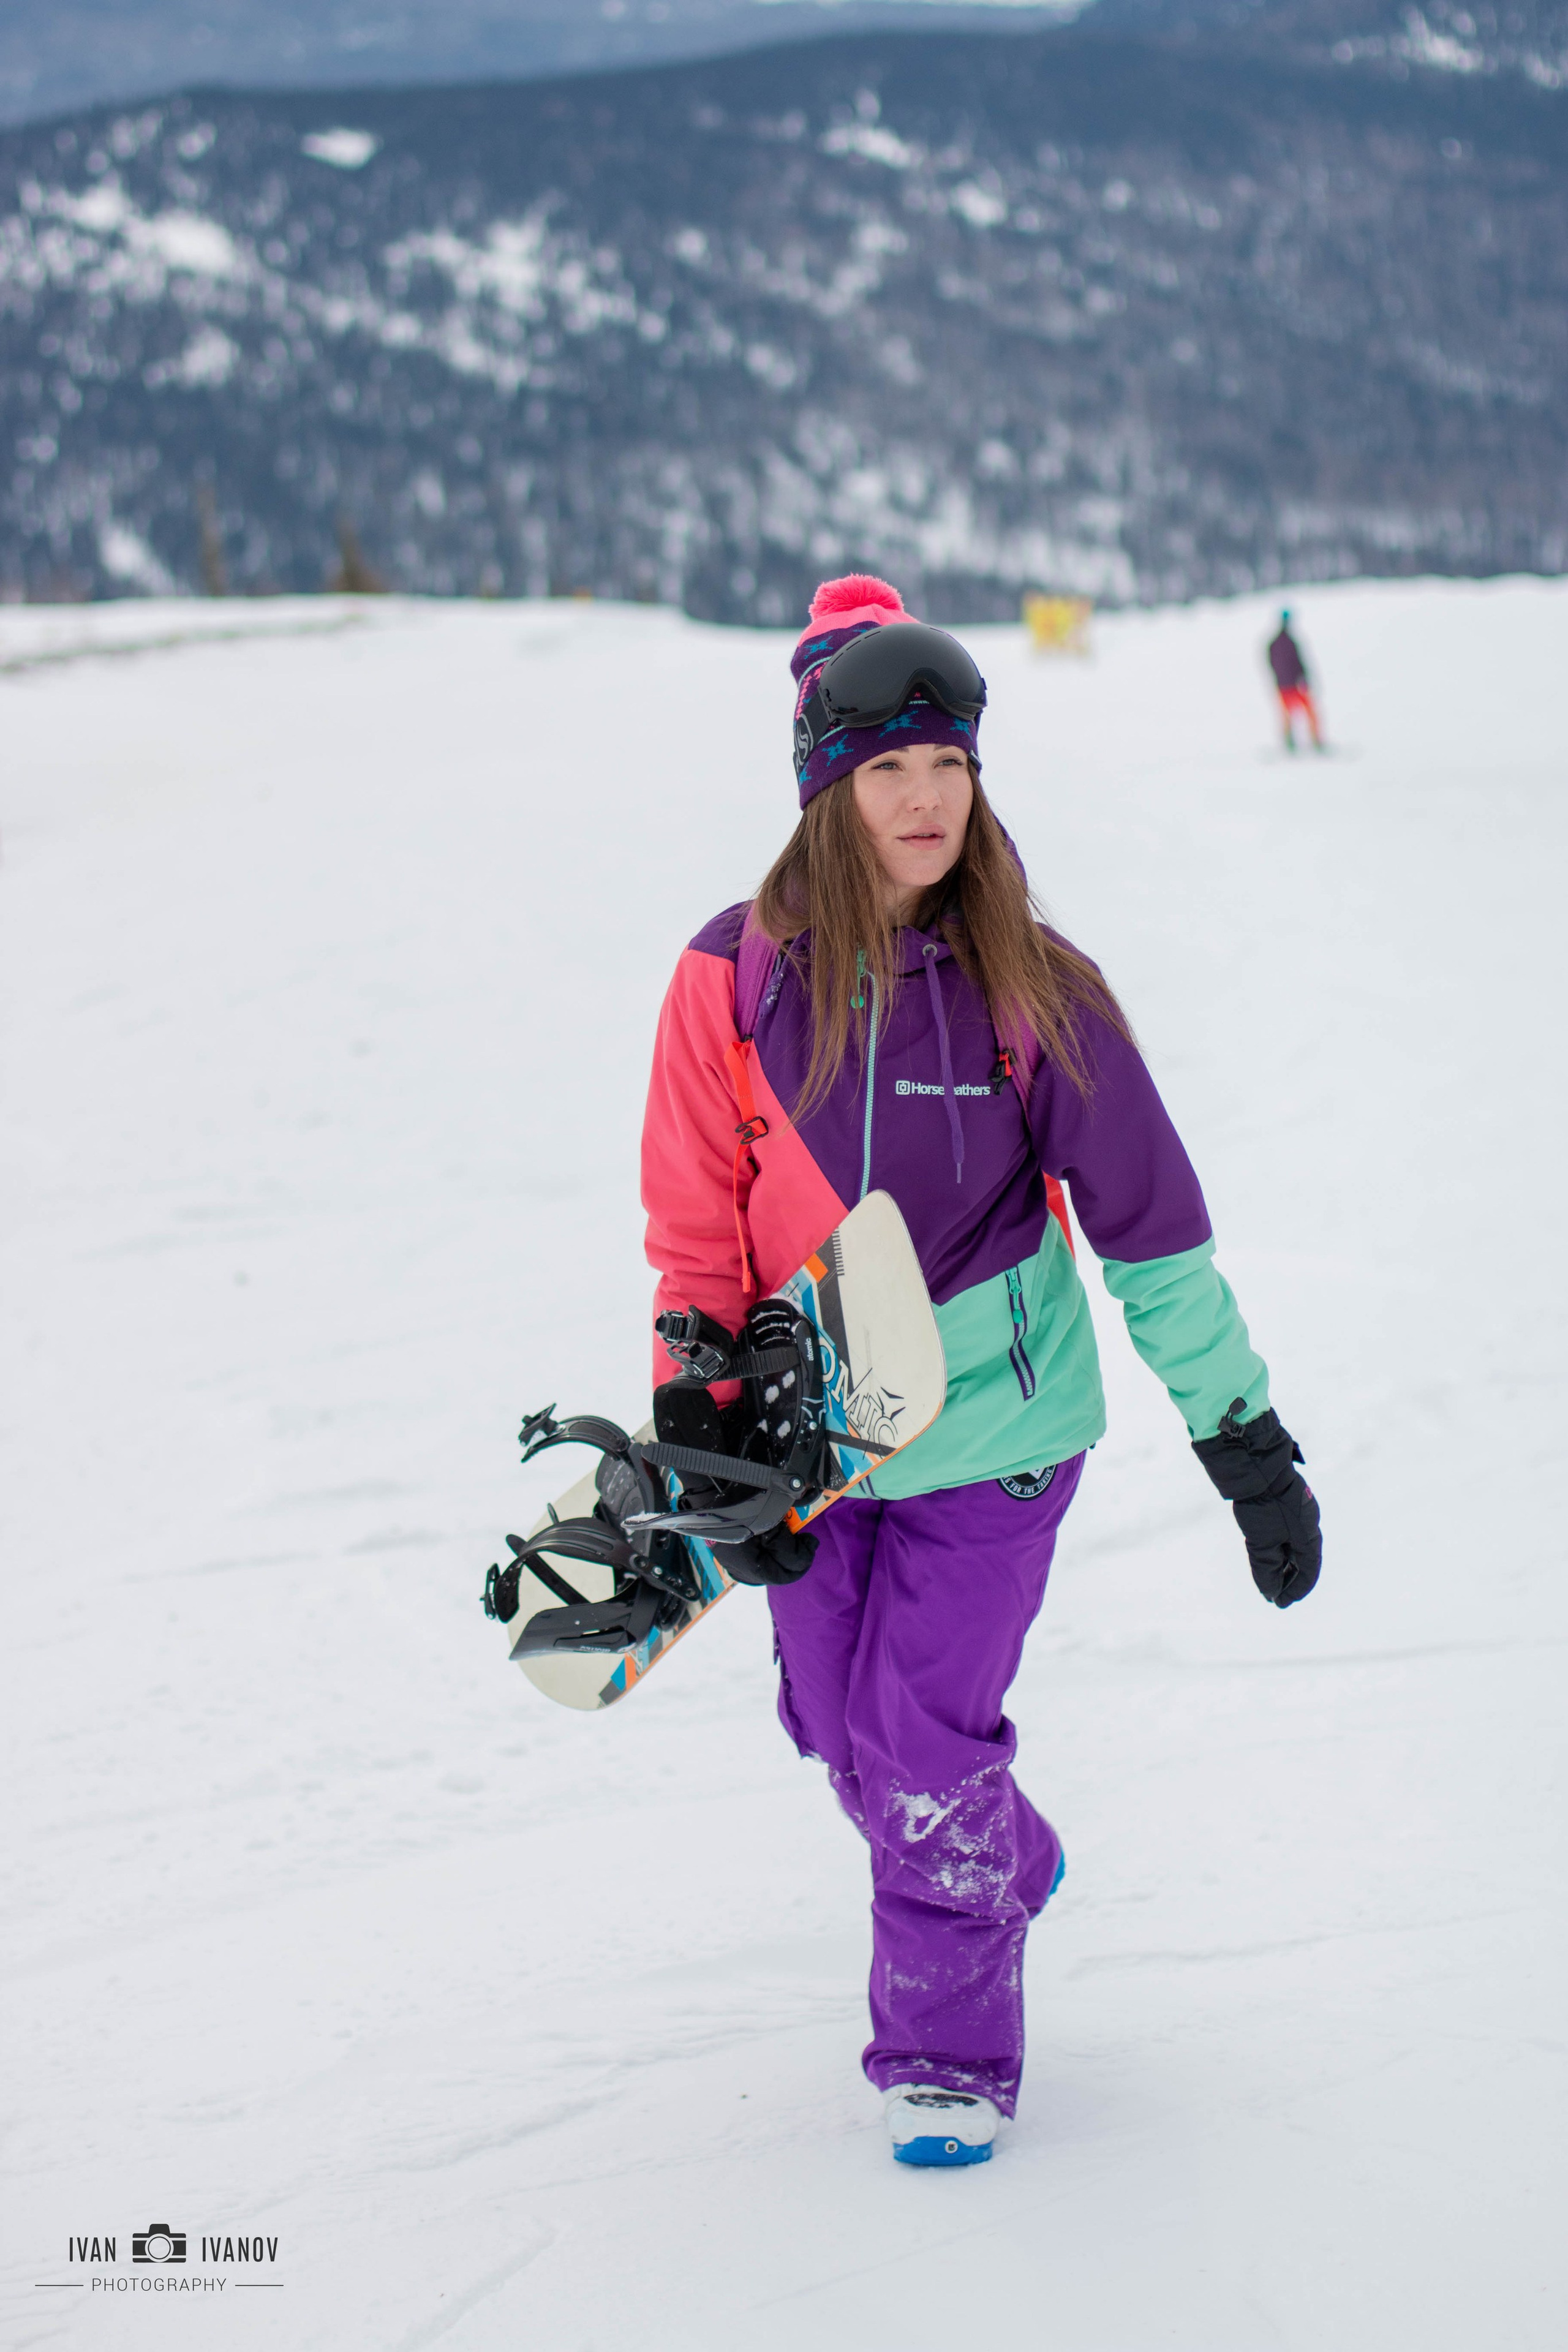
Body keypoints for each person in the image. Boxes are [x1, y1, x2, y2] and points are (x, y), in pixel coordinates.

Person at [641, 573, 1322, 2168]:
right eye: (888, 769)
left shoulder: (1038, 985)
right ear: (825, 787)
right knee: (834, 1725)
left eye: (950, 765)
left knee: (923, 1742)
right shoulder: (730, 983)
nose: (926, 799)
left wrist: (1249, 1445)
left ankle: (945, 2051)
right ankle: (997, 1853)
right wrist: (707, 1436)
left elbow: (1154, 1238)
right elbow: (695, 1233)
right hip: (816, 1437)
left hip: (1001, 1434)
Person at [1267, 608, 1324, 751]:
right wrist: (1304, 677)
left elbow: (1273, 664)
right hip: (1292, 685)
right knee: (1307, 713)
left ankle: (1291, 743)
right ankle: (1312, 741)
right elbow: (1298, 663)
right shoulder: (1287, 643)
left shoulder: (1275, 643)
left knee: (1289, 716)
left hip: (1284, 685)